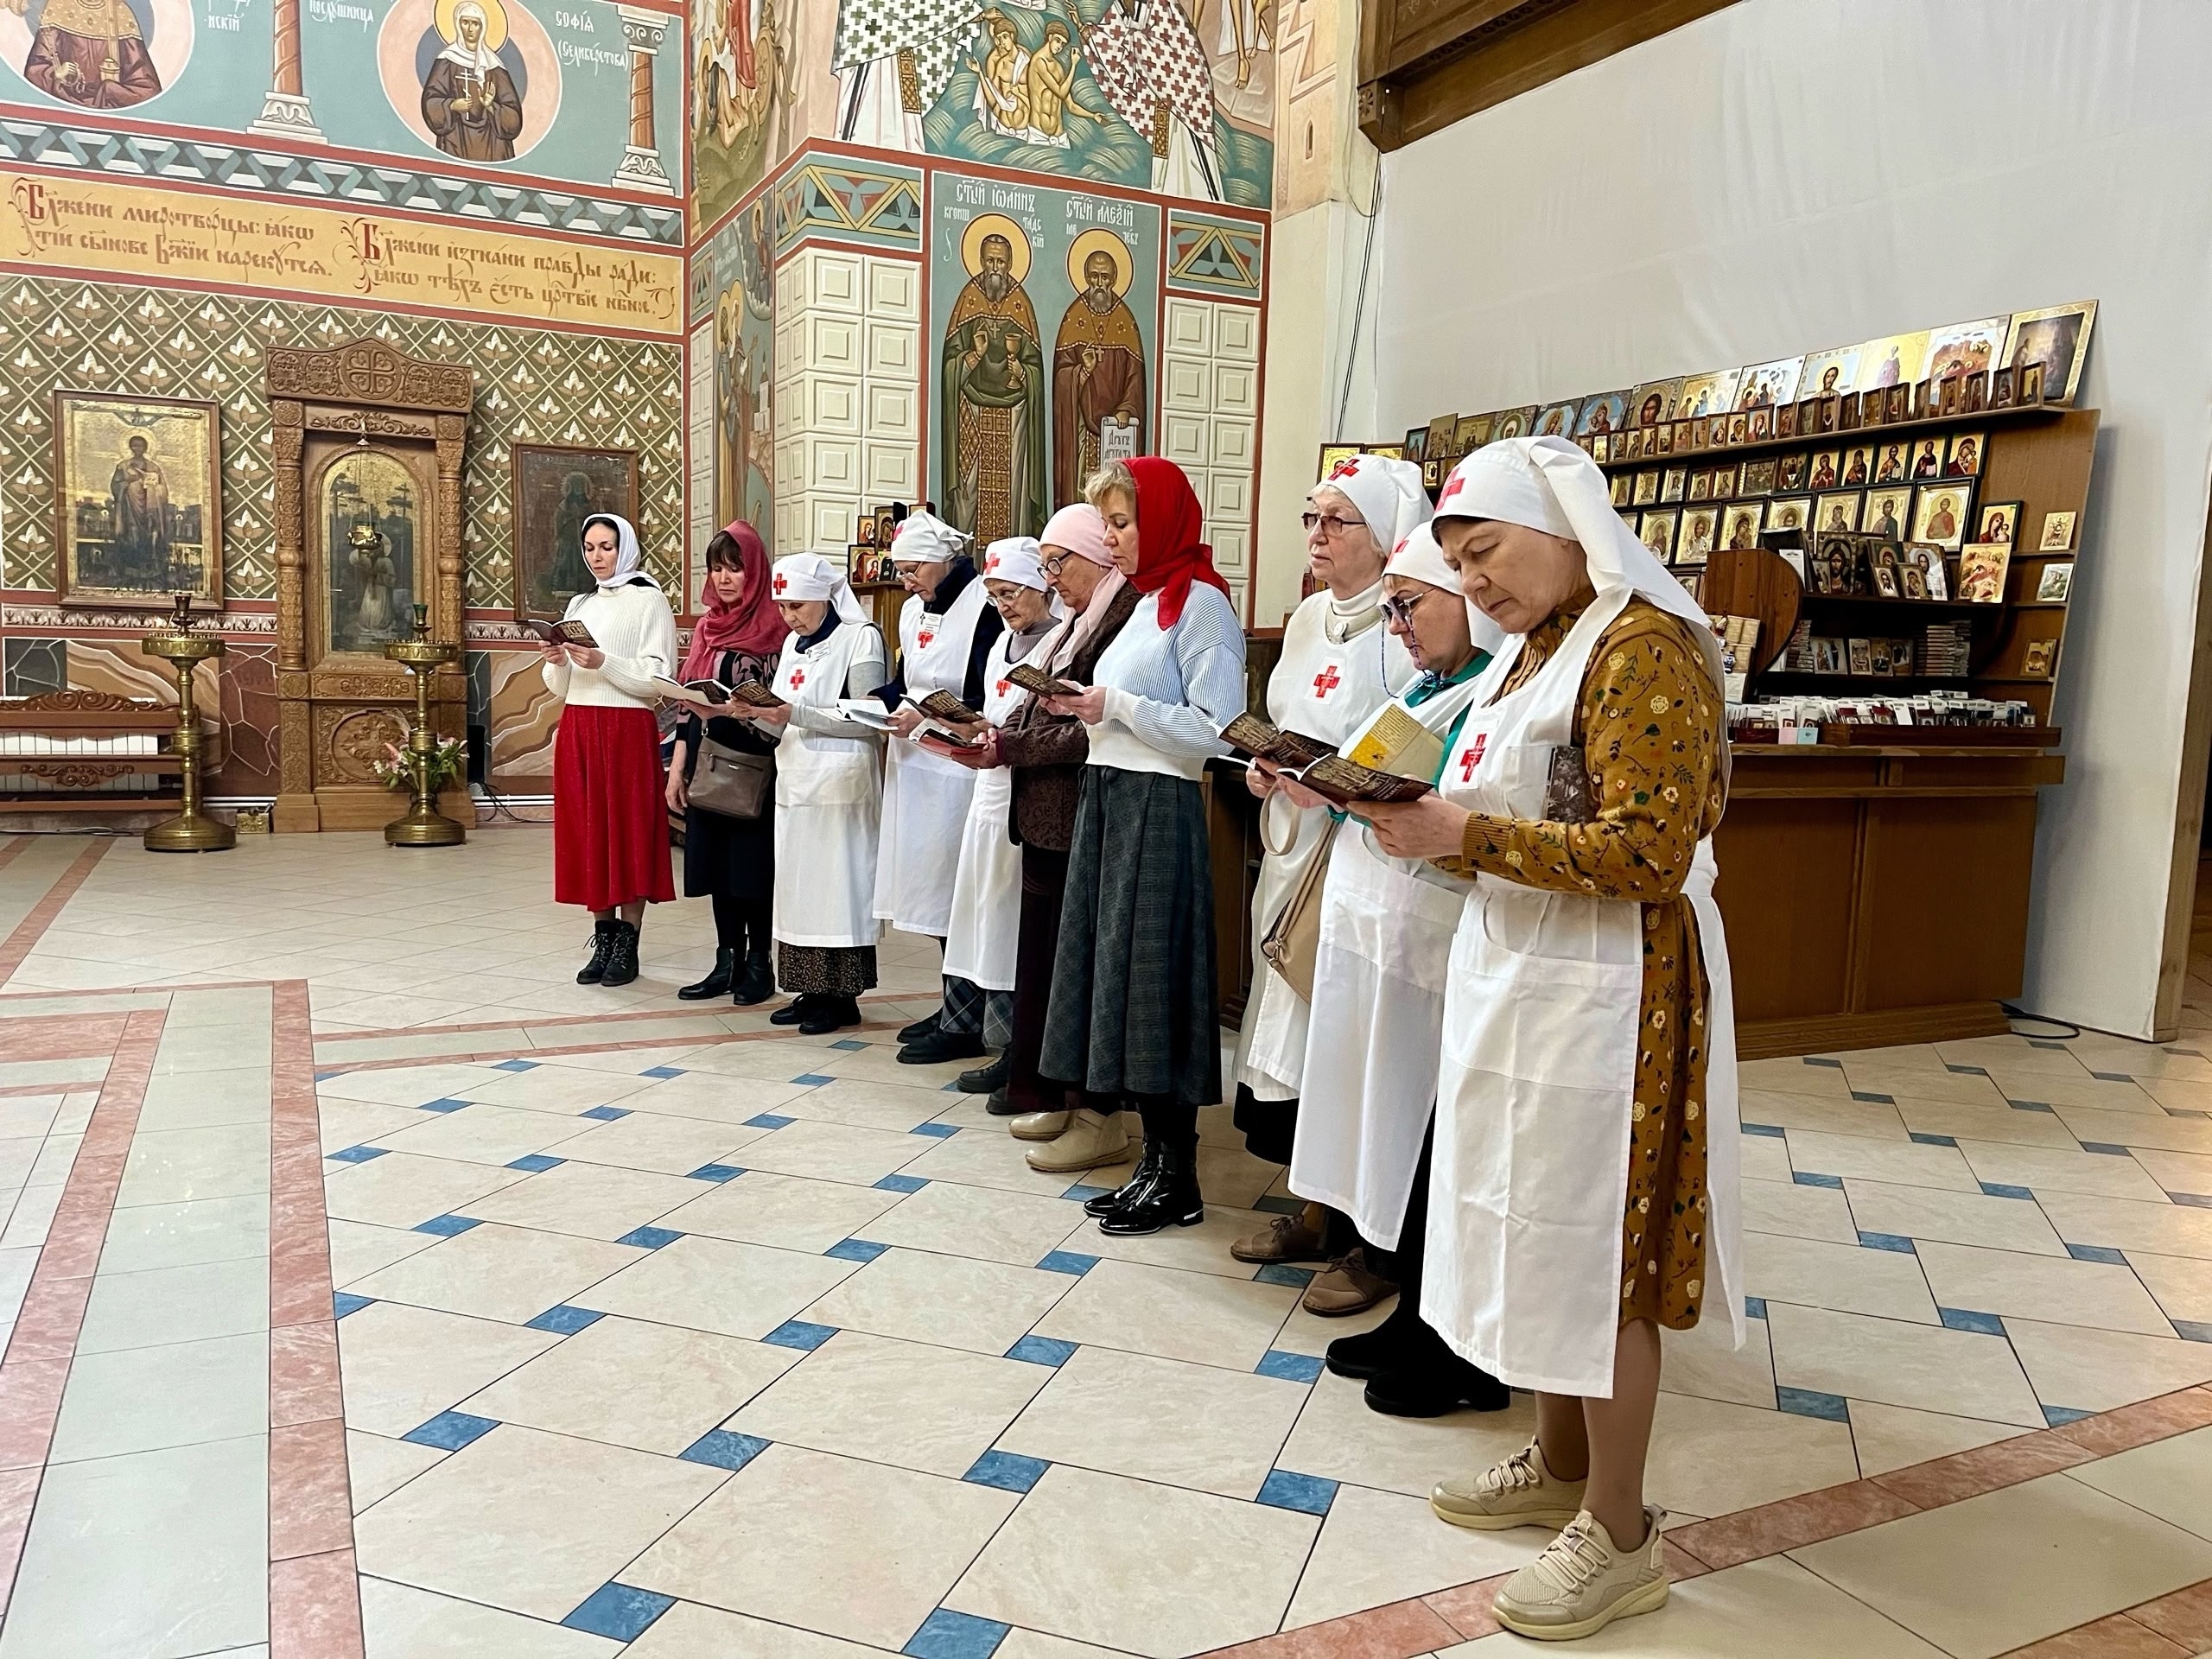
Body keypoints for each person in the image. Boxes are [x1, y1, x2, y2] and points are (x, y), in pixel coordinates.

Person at [1363, 436, 1742, 1643]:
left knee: (1600, 1249)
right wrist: (1408, 818)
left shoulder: (1642, 649)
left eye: (1486, 554)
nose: (1473, 582)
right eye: (1460, 563)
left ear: (1566, 528)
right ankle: (1561, 1460)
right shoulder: (1537, 648)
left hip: (1612, 992)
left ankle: (1622, 1533)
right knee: (1525, 1223)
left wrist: (1459, 838)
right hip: (1521, 978)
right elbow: (1504, 808)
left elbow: (1650, 852)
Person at [1293, 524, 1510, 1418]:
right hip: (1387, 930)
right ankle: (1415, 1302)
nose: (1399, 626)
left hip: (1443, 939)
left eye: (1410, 604)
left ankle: (1449, 1330)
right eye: (1391, 610)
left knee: (1432, 1131)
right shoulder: (1427, 686)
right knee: (1399, 1126)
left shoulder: (1493, 685)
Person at [1229, 454, 1420, 1320]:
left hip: (1368, 853)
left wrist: (1334, 789)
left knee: (1348, 1036)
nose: (1316, 534)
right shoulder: (1308, 617)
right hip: (1294, 848)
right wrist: (1265, 771)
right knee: (1294, 1033)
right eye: (1310, 517)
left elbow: (1410, 745)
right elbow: (1287, 724)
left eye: (1336, 520)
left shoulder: (1410, 621)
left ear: (1384, 536)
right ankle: (1313, 1207)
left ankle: (1367, 1238)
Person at [1037, 458, 1245, 1230]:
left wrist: (1115, 705)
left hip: (1158, 806)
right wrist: (1089, 708)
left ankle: (1178, 1175)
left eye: (1123, 523)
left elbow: (1217, 731)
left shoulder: (1204, 606)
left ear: (1162, 520)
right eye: (1108, 525)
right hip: (1112, 799)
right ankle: (1152, 1161)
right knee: (1120, 981)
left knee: (1155, 981)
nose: (1113, 538)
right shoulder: (1150, 599)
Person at [989, 505, 1143, 1142]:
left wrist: (1009, 747)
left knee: (1073, 965)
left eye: (1059, 564)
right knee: (1042, 960)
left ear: (1097, 557)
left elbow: (1092, 730)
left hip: (1080, 811)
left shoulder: (1123, 615)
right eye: (1046, 566)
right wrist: (993, 735)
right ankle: (1046, 1088)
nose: (1050, 579)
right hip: (1044, 817)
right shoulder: (1076, 624)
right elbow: (1038, 703)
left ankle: (1084, 1102)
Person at [868, 512, 1008, 1064]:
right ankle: (953, 1003)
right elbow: (907, 680)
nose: (906, 582)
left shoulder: (983, 606)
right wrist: (877, 703)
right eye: (900, 571)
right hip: (914, 764)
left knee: (956, 892)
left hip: (959, 769)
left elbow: (983, 695)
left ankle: (966, 1017)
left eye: (913, 570)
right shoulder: (910, 609)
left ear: (945, 561)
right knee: (928, 892)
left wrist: (928, 718)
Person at [926, 538, 1064, 1093]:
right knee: (980, 916)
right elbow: (993, 712)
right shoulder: (1001, 643)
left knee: (1011, 925)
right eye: (994, 596)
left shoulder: (1058, 641)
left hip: (1025, 798)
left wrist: (999, 736)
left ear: (1041, 586)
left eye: (1010, 593)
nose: (1003, 606)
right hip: (987, 793)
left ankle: (1016, 1048)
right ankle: (977, 1026)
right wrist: (967, 727)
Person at [751, 554, 889, 1034]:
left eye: (797, 606)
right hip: (796, 782)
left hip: (841, 787)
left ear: (825, 598)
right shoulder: (793, 643)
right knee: (800, 892)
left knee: (838, 893)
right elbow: (780, 710)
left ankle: (841, 997)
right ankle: (809, 990)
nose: (788, 617)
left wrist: (796, 714)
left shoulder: (861, 637)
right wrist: (741, 711)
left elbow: (870, 719)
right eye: (782, 607)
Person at [541, 514, 678, 988]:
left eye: (606, 547)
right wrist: (558, 661)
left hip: (626, 729)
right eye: (589, 548)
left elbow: (658, 678)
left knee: (629, 830)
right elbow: (561, 688)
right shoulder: (580, 604)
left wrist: (604, 661)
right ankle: (603, 939)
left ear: (626, 548)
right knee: (589, 832)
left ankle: (628, 944)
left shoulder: (649, 598)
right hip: (579, 726)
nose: (596, 557)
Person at [666, 521, 789, 1005]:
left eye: (734, 569)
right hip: (709, 758)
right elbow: (686, 705)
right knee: (717, 866)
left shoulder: (777, 626)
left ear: (754, 571)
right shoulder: (707, 627)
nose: (723, 578)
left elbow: (780, 704)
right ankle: (726, 962)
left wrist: (739, 709)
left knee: (751, 869)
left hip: (757, 763)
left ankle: (759, 964)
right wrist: (677, 769)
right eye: (716, 568)